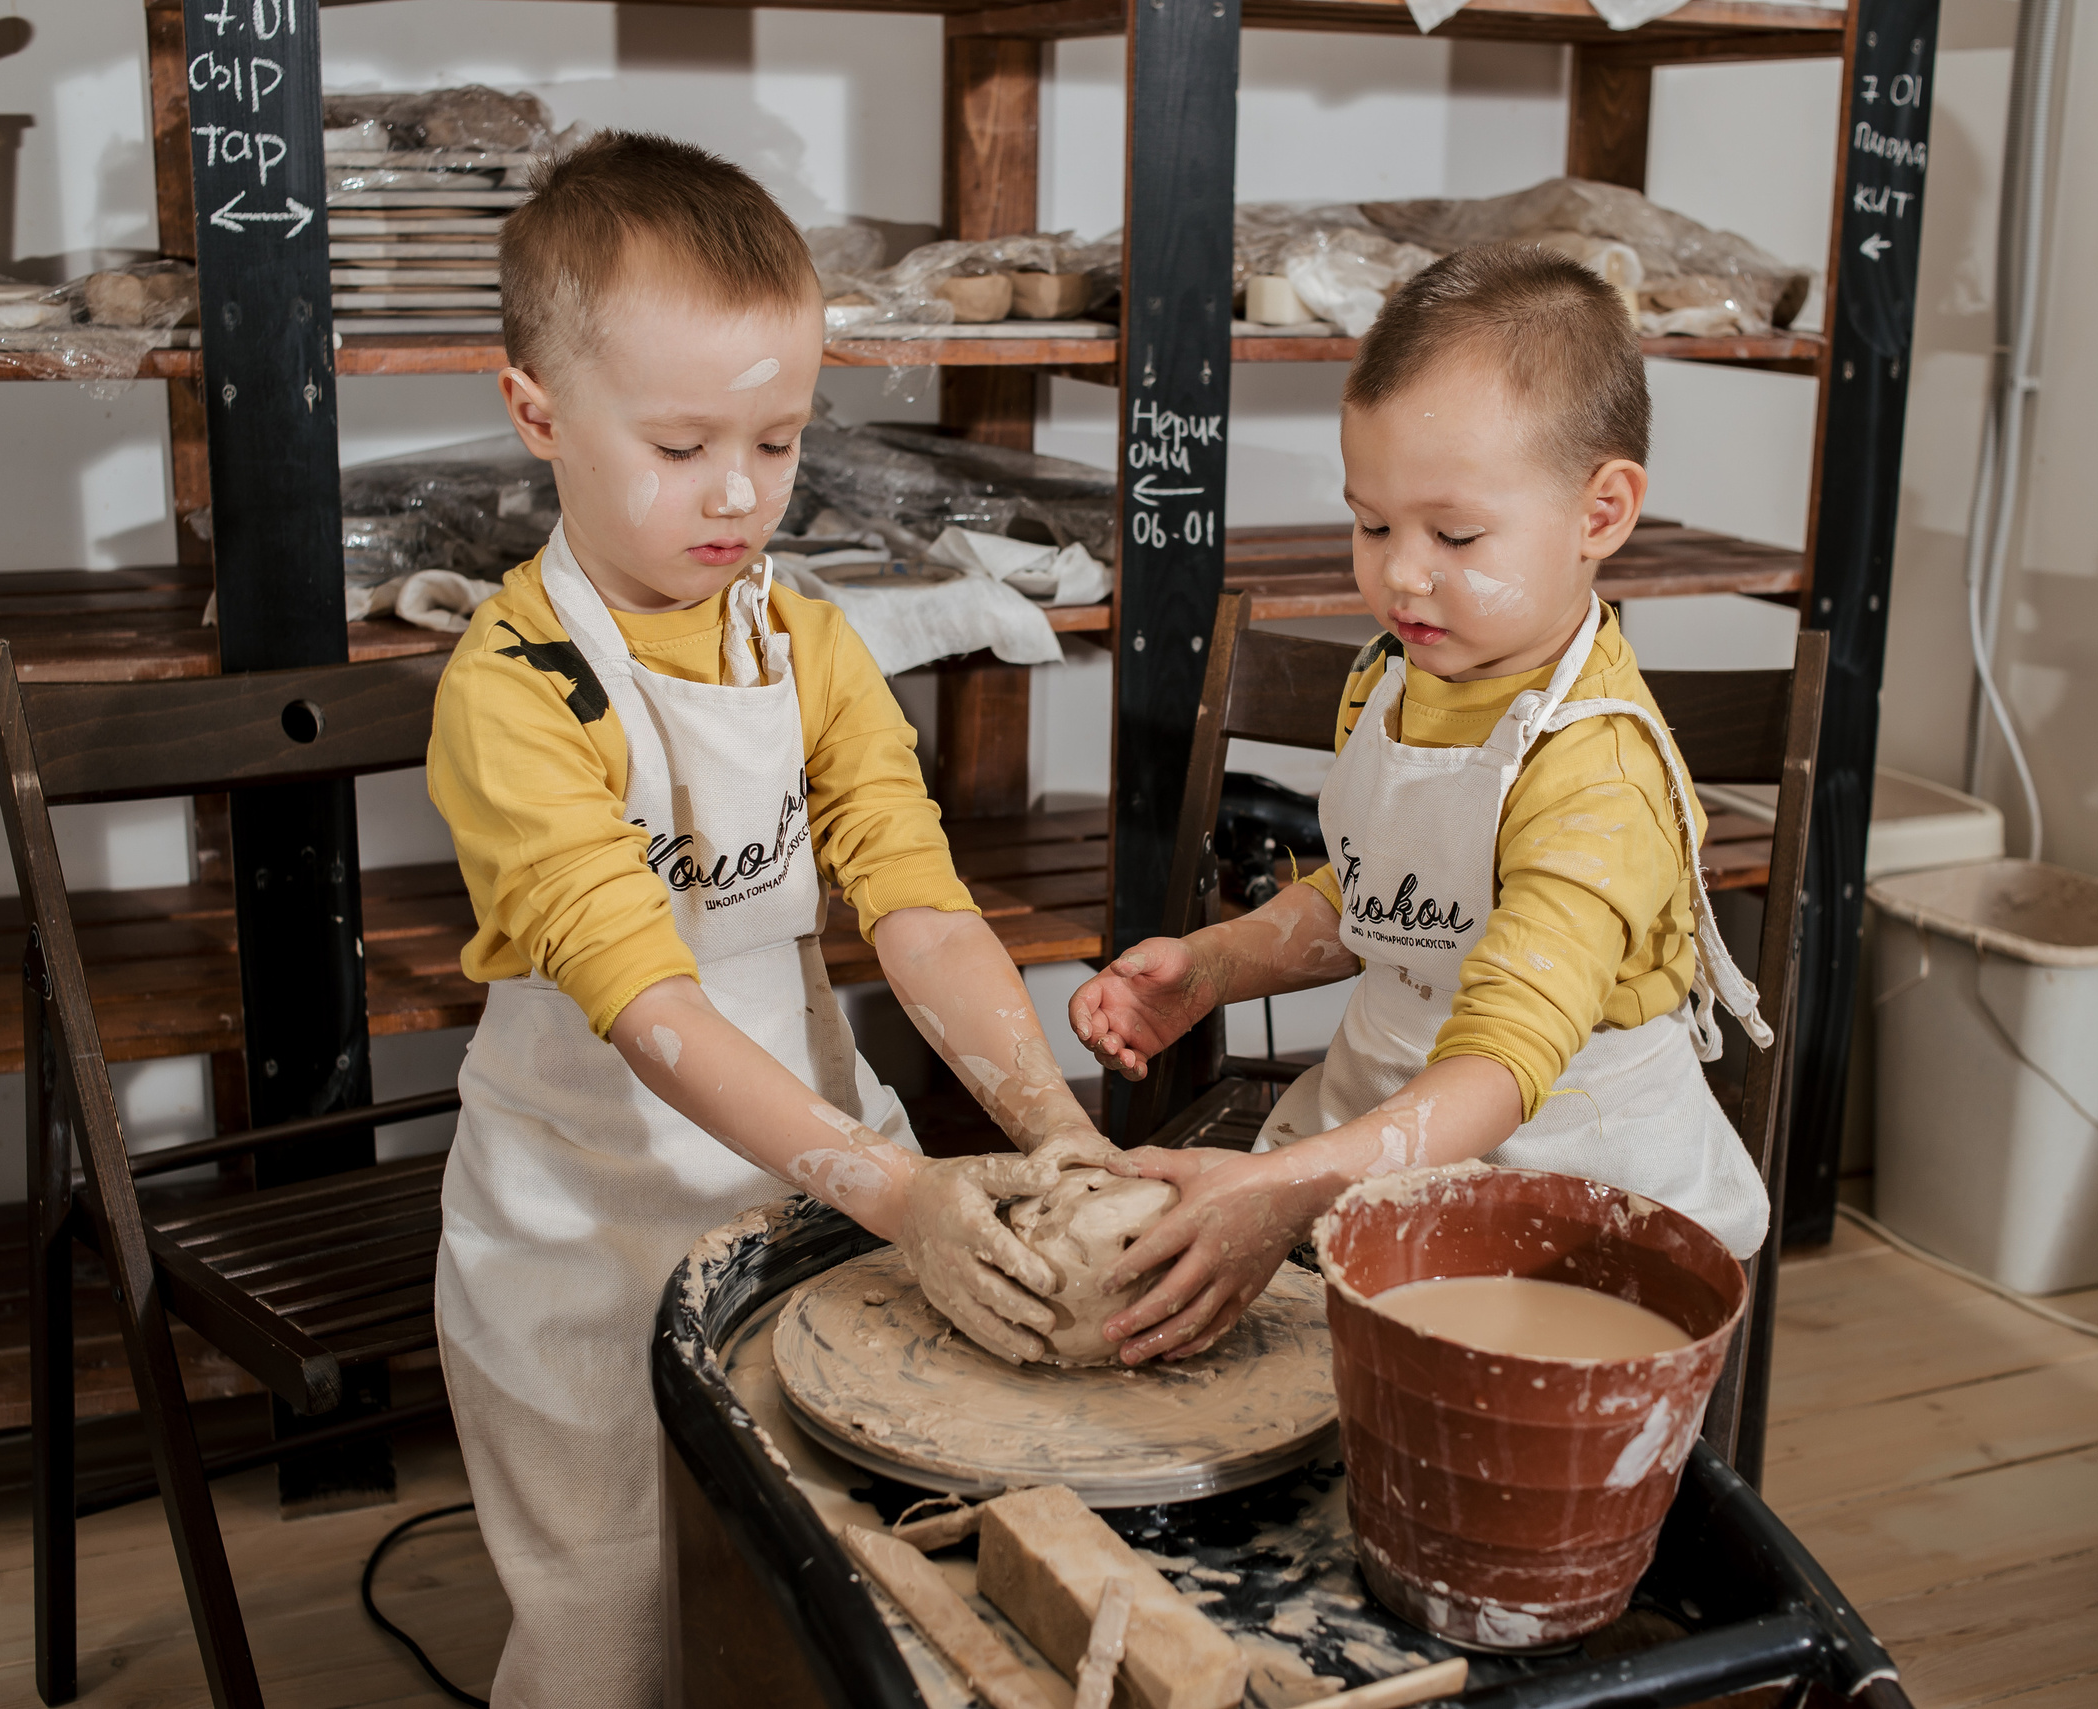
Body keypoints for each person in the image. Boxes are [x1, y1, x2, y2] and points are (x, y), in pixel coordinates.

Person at [426, 132, 1103, 1707]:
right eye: (680, 448)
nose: (740, 495)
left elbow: (919, 909)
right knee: (619, 1639)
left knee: (823, 1599)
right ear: (537, 414)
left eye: (781, 441)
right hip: (582, 1226)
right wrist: (897, 1190)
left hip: (812, 1185)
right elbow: (655, 1008)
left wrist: (1044, 1114)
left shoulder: (808, 644)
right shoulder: (517, 691)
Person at [1069, 244, 1773, 1366]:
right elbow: (1374, 892)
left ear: (1601, 511)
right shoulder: (1398, 676)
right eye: (1372, 524)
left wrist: (1288, 1182)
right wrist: (1214, 966)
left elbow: (1500, 1064)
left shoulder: (1597, 775)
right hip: (1381, 1119)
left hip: (1559, 1189)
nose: (1401, 575)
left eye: (1453, 536)